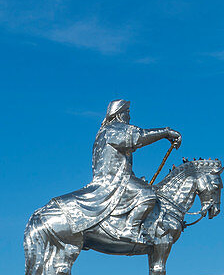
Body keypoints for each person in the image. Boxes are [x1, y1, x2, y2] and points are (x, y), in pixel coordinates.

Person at [67, 100, 181, 245]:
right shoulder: (114, 129)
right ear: (119, 114)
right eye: (127, 113)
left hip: (117, 177)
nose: (129, 116)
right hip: (114, 180)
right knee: (147, 195)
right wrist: (165, 132)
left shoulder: (104, 131)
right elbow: (139, 136)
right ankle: (130, 230)